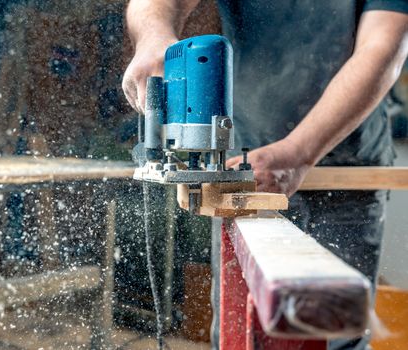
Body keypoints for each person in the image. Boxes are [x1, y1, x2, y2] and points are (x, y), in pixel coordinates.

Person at [122, 1, 408, 349]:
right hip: (246, 165)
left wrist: (297, 153)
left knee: (335, 326)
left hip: (345, 167)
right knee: (241, 331)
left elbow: (383, 46)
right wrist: (153, 37)